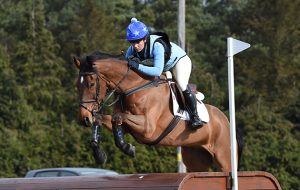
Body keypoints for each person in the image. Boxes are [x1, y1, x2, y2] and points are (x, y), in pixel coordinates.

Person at [125, 18, 203, 129]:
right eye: (132, 42)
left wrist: (137, 66)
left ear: (145, 39)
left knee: (180, 82)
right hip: (165, 67)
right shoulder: (131, 49)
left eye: (138, 41)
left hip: (179, 62)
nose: (135, 45)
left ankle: (195, 116)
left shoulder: (157, 46)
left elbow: (157, 71)